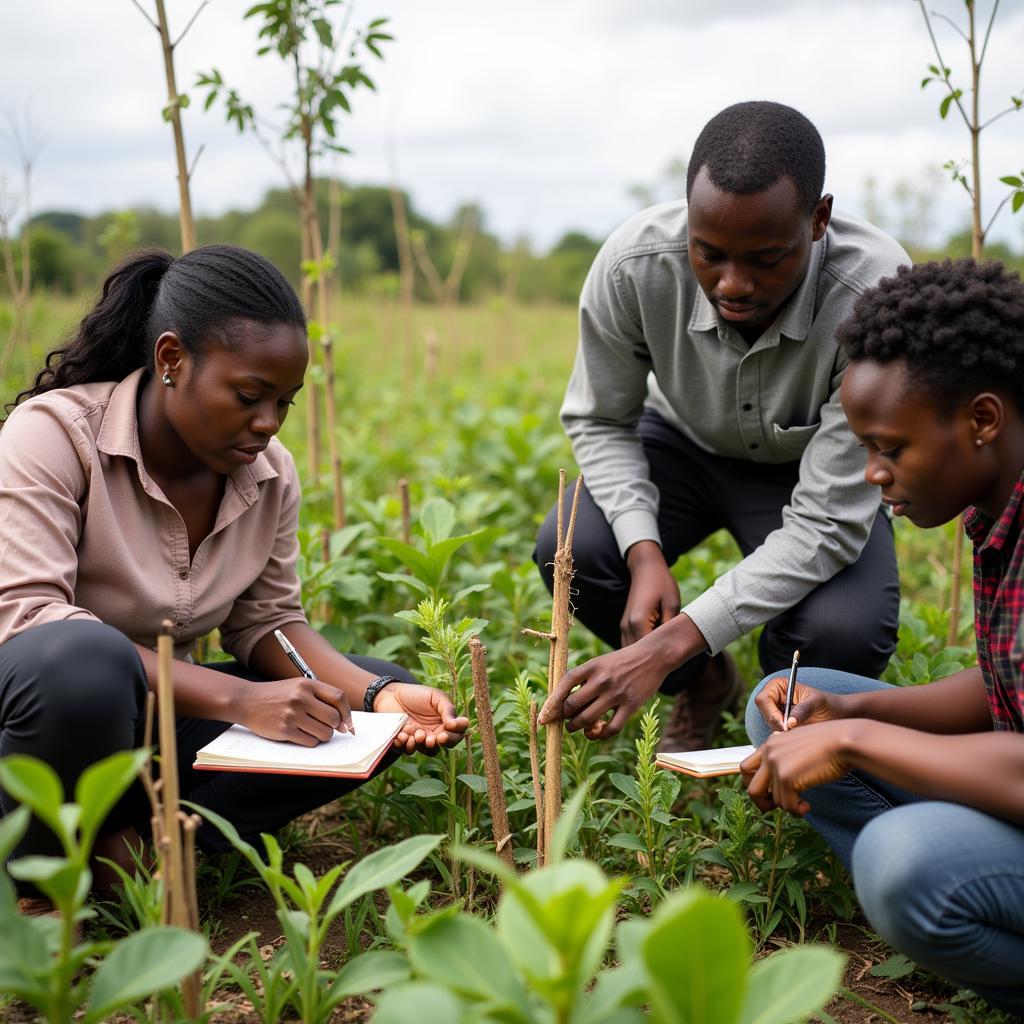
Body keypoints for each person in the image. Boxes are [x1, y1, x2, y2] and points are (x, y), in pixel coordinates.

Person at [0, 244, 469, 907]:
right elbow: (27, 617)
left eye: (286, 402)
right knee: (84, 659)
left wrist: (374, 698)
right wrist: (240, 701)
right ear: (171, 360)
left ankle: (164, 841)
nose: (268, 423)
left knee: (358, 708)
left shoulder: (268, 473)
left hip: (156, 725)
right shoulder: (53, 435)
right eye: (249, 396)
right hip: (46, 730)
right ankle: (54, 871)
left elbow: (269, 623)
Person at [536, 101, 908, 749]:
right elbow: (601, 419)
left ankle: (779, 732)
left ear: (818, 220)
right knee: (581, 556)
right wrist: (642, 548)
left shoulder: (875, 295)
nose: (733, 284)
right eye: (709, 254)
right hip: (682, 445)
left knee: (839, 634)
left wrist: (670, 642)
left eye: (767, 259)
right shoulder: (634, 267)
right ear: (687, 217)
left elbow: (827, 520)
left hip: (809, 472)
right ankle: (705, 683)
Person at [743, 258, 1024, 1015]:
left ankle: (948, 879)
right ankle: (970, 880)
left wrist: (858, 745)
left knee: (904, 861)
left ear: (983, 420)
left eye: (890, 448)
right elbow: (1007, 691)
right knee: (799, 703)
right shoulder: (1002, 508)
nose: (872, 474)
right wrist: (853, 717)